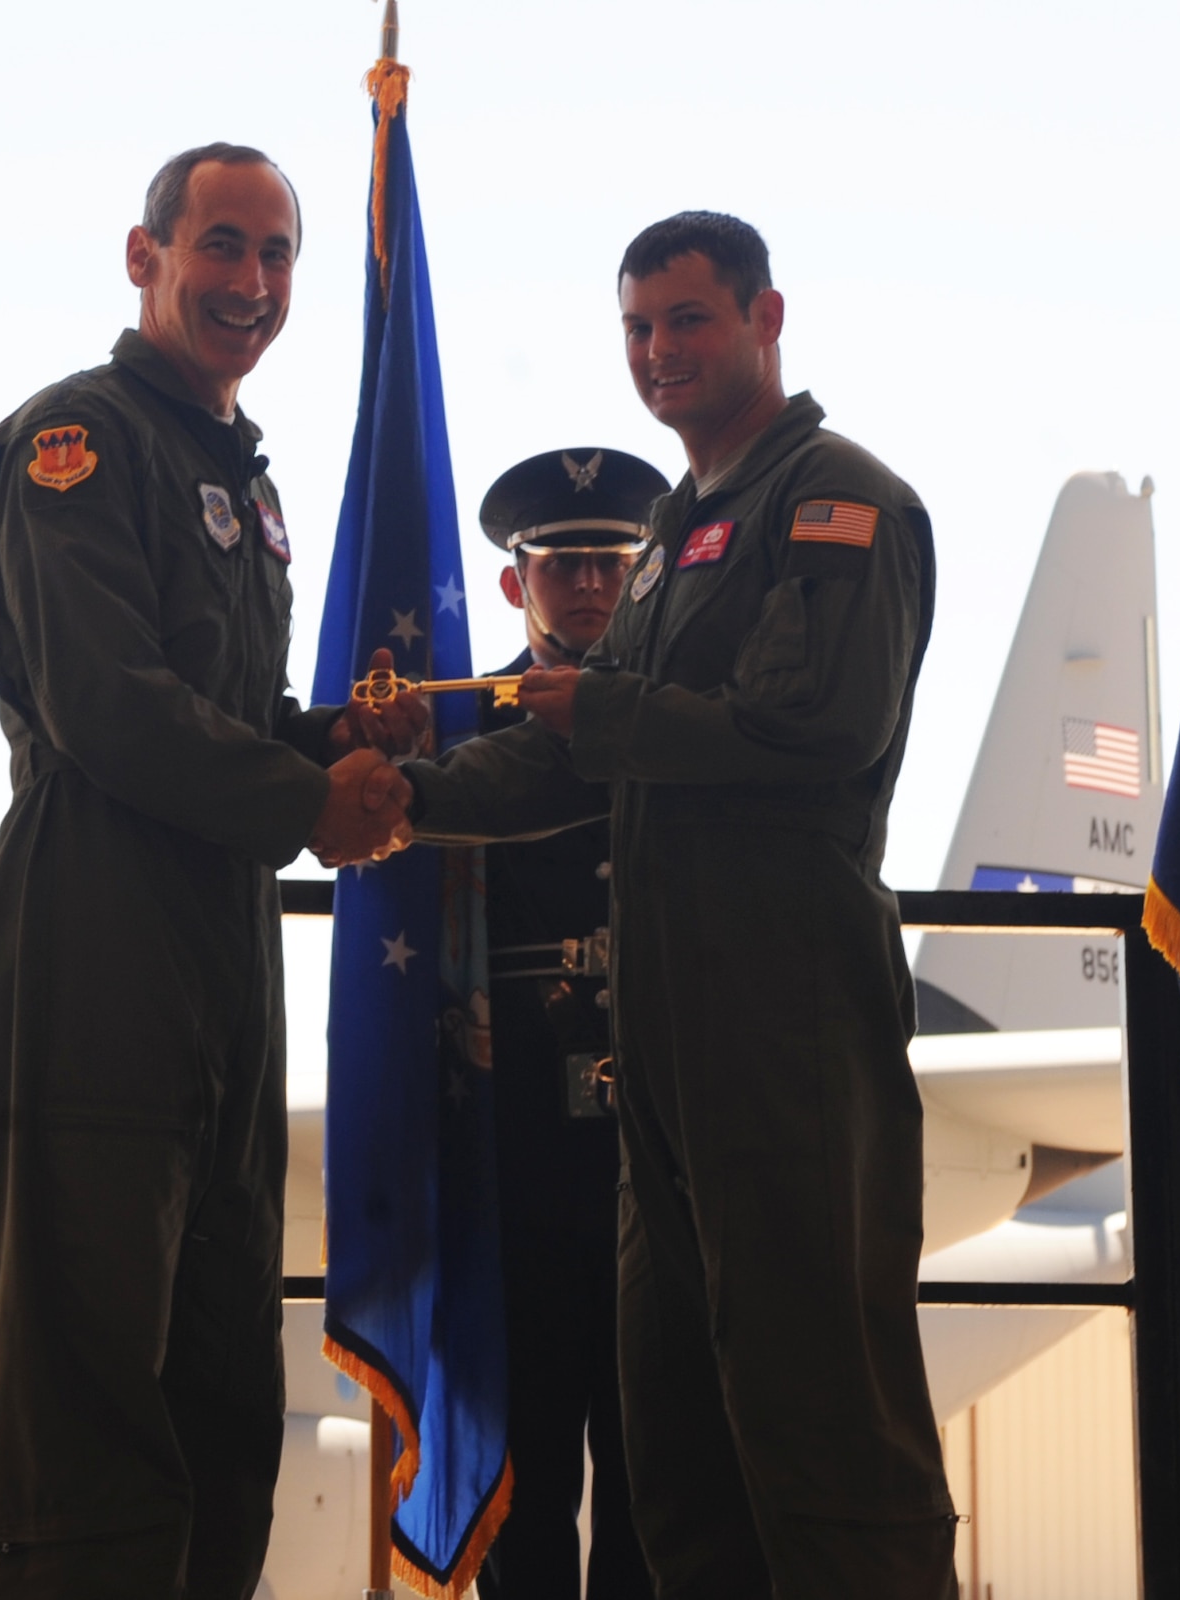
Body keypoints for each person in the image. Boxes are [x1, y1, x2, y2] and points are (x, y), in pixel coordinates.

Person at [401, 212, 956, 1597]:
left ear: (768, 319)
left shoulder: (837, 501)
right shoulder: (672, 537)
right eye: (639, 328)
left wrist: (609, 709)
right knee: (677, 1458)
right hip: (662, 1050)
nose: (659, 353)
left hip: (785, 1027)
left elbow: (809, 727)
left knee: (825, 1432)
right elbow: (559, 752)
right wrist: (374, 789)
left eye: (689, 320)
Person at [0, 143, 420, 1600]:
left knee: (223, 1363)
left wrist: (333, 737)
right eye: (223, 246)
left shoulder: (239, 474)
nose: (254, 283)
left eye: (278, 256)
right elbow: (105, 701)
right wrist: (304, 795)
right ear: (145, 256)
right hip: (98, 916)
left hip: (223, 926)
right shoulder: (76, 442)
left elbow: (208, 710)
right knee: (91, 1366)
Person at [472, 448, 665, 1600]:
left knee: (651, 1477)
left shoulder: (679, 725)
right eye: (562, 564)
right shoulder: (461, 737)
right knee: (527, 1476)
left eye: (610, 560)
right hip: (517, 1145)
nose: (587, 584)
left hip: (652, 1139)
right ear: (516, 585)